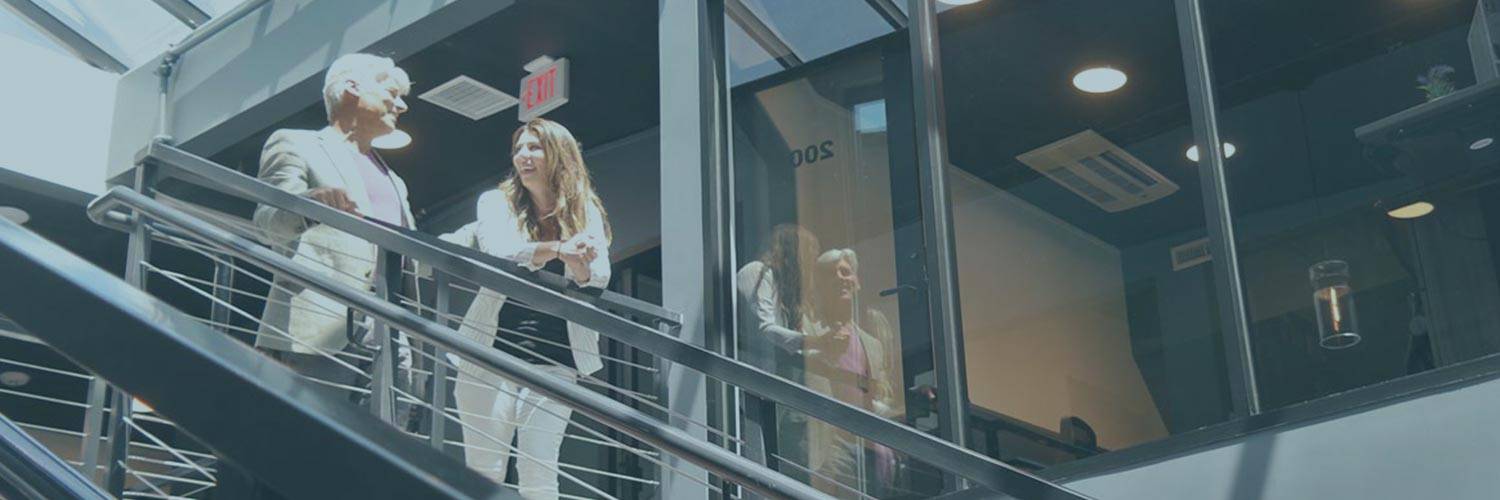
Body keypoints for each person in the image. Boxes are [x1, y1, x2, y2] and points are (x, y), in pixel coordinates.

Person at [442, 118, 611, 499]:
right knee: (485, 471)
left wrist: (581, 264)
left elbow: (599, 276)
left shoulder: (585, 208)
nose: (524, 156)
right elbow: (501, 253)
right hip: (489, 355)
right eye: (519, 148)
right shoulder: (496, 201)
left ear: (558, 154)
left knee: (539, 468)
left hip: (557, 359)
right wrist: (558, 249)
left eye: (535, 147)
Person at [251, 53, 414, 391]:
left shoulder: (395, 179)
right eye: (392, 93)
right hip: (317, 329)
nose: (401, 106)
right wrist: (309, 205)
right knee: (309, 440)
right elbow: (266, 221)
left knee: (387, 440)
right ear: (353, 87)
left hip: (390, 331)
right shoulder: (297, 143)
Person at [804, 248, 900, 499]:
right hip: (831, 446)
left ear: (856, 282)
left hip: (870, 449)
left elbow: (882, 396)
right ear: (819, 286)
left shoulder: (873, 344)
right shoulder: (808, 330)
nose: (840, 278)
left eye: (846, 272)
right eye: (829, 274)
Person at [734, 224, 820, 484]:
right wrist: (817, 343)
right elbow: (766, 327)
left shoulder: (787, 291)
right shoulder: (758, 272)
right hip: (753, 382)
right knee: (759, 454)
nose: (813, 263)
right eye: (810, 254)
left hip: (776, 387)